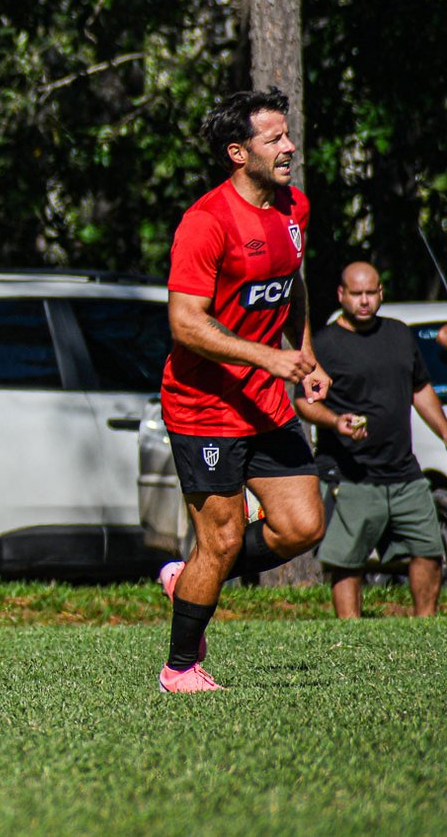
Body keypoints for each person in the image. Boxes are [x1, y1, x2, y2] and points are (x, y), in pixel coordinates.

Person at [155, 88, 331, 693]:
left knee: (304, 525)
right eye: (274, 139)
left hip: (267, 400)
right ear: (238, 152)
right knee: (223, 537)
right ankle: (179, 669)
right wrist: (269, 356)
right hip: (203, 407)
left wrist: (303, 353)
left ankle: (190, 579)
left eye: (287, 135)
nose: (289, 147)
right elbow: (185, 324)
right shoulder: (205, 223)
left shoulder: (294, 208)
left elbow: (292, 284)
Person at [294, 262, 447, 617]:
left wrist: (443, 429)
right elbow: (304, 401)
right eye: (356, 294)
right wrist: (335, 420)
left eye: (370, 293)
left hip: (405, 470)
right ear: (341, 295)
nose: (364, 301)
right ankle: (351, 629)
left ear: (380, 293)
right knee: (347, 559)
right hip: (352, 473)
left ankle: (425, 622)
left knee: (427, 547)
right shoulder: (326, 344)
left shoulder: (399, 334)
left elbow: (420, 387)